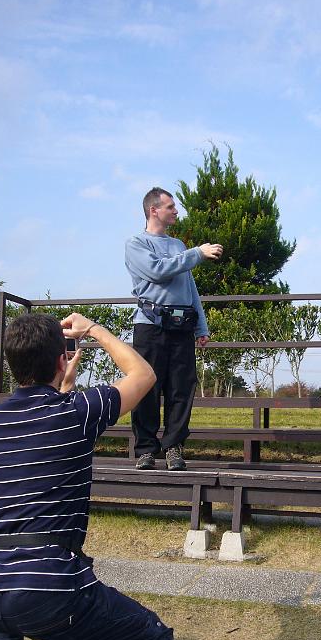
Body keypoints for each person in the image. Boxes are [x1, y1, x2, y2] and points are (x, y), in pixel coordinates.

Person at [0, 312, 174, 640]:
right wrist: (93, 330)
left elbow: (39, 433)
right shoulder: (75, 412)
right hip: (49, 590)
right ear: (62, 360)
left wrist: (61, 380)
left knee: (11, 579)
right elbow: (143, 374)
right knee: (153, 637)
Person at [125, 187, 223, 471]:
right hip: (150, 327)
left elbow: (189, 287)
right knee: (146, 388)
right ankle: (145, 450)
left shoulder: (179, 246)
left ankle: (174, 447)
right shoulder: (136, 244)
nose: (176, 210)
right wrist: (198, 253)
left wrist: (201, 327)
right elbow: (158, 270)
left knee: (182, 389)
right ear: (154, 210)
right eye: (170, 206)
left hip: (182, 327)